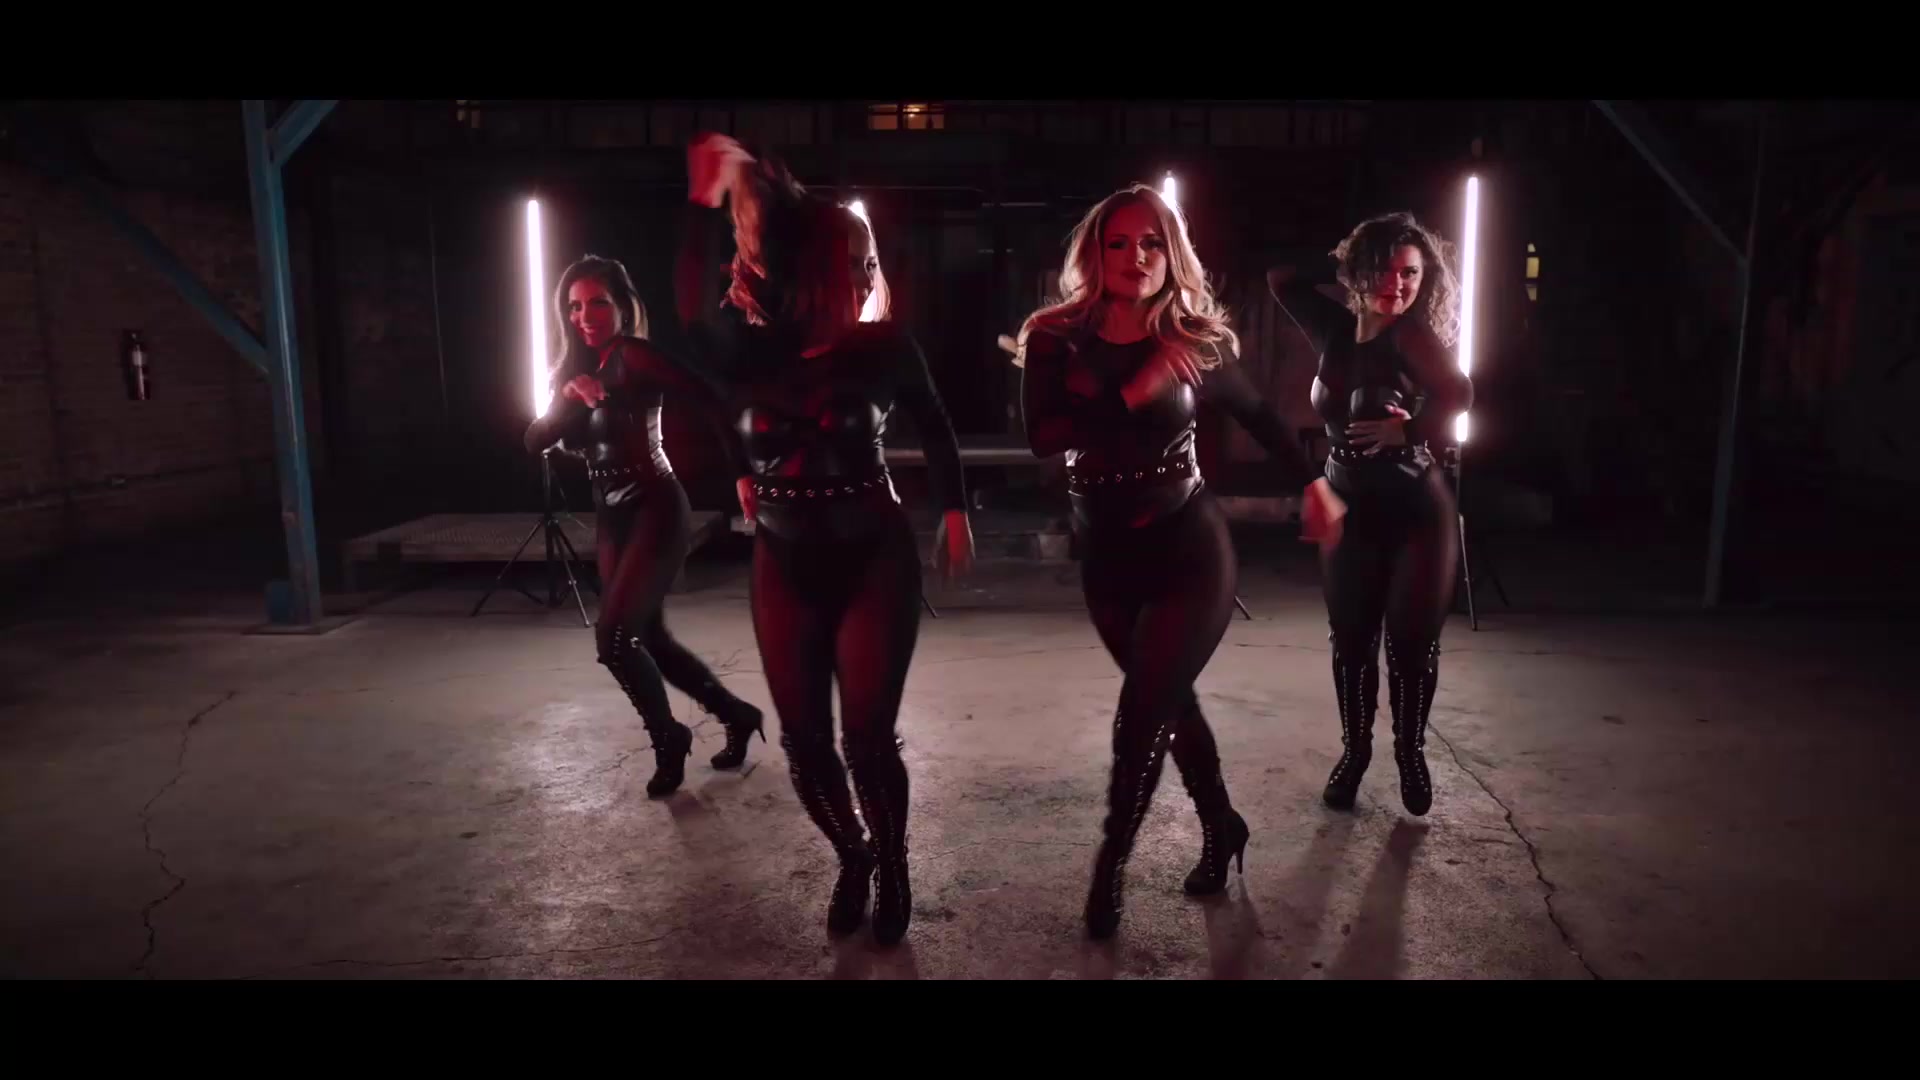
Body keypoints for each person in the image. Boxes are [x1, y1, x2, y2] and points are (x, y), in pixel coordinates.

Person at [1015, 183, 1344, 940]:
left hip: (1189, 545)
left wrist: (1315, 486)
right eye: (1119, 243)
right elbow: (1042, 436)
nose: (1136, 257)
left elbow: (1261, 417)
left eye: (1152, 243)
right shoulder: (1055, 335)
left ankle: (1109, 871)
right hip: (1106, 550)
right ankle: (1222, 825)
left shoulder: (1196, 340)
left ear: (1172, 255)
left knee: (1143, 710)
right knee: (1169, 700)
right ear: (1095, 253)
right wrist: (1137, 391)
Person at [676, 134, 976, 946]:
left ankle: (896, 866)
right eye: (850, 263)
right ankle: (855, 855)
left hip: (873, 551)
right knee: (804, 741)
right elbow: (698, 338)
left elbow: (937, 429)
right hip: (782, 557)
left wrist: (954, 511)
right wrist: (714, 199)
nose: (866, 277)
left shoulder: (886, 346)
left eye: (869, 263)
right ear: (805, 267)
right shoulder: (747, 345)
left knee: (867, 738)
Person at [521, 255, 765, 798]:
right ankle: (737, 714)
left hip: (655, 503)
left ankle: (669, 738)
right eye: (575, 307)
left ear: (623, 306)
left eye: (598, 303)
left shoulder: (633, 356)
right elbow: (534, 440)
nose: (585, 316)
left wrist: (743, 474)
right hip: (612, 514)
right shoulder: (575, 371)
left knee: (613, 638)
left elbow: (713, 399)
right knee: (648, 636)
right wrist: (571, 400)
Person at [1266, 211, 1474, 817]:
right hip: (1349, 504)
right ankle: (1355, 754)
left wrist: (1410, 431)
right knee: (1352, 641)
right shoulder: (1333, 328)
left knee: (1410, 643)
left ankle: (1410, 753)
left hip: (1416, 511)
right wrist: (1349, 259)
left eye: (1410, 273)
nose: (1398, 285)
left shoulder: (1411, 336)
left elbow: (1459, 393)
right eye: (1384, 270)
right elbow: (1281, 278)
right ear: (1359, 272)